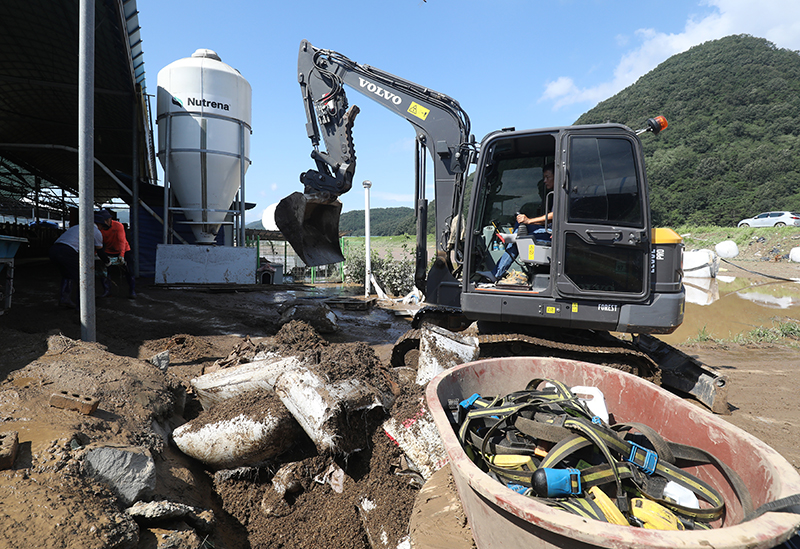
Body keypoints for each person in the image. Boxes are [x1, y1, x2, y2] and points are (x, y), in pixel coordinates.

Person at [477, 163, 555, 283]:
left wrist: (529, 220)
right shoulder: (555, 195)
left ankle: (497, 272)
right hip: (549, 230)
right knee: (520, 229)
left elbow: (554, 216)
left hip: (553, 235)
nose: (545, 181)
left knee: (520, 234)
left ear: (557, 176)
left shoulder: (561, 194)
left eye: (547, 177)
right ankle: (515, 237)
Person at [49, 212, 109, 308]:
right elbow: (100, 251)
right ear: (100, 224)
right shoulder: (95, 231)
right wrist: (107, 261)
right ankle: (82, 306)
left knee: (67, 275)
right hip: (68, 252)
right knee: (82, 277)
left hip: (54, 249)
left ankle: (65, 299)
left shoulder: (77, 227)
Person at [95, 209, 136, 298]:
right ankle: (107, 290)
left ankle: (132, 291)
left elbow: (121, 241)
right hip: (108, 250)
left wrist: (121, 255)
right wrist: (96, 254)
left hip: (124, 250)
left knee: (129, 270)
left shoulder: (118, 226)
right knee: (104, 271)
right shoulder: (99, 228)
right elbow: (97, 243)